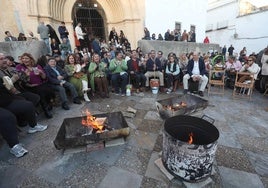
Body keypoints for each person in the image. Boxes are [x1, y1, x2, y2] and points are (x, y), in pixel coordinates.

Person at [15, 53, 55, 118]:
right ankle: (46, 111)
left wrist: (41, 72)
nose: (24, 60)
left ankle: (49, 103)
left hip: (40, 84)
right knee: (40, 91)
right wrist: (27, 77)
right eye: (23, 58)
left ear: (31, 59)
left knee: (47, 89)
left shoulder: (37, 66)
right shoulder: (19, 67)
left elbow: (44, 77)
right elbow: (20, 80)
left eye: (26, 58)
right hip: (28, 86)